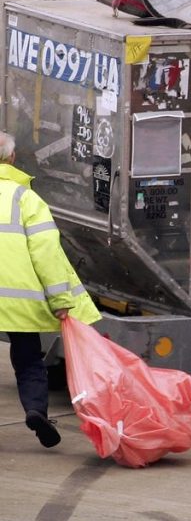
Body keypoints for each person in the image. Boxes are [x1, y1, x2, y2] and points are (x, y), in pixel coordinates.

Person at [0, 131, 101, 448]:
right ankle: (35, 410)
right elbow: (48, 254)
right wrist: (60, 300)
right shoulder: (26, 199)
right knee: (28, 358)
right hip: (20, 302)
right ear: (12, 158)